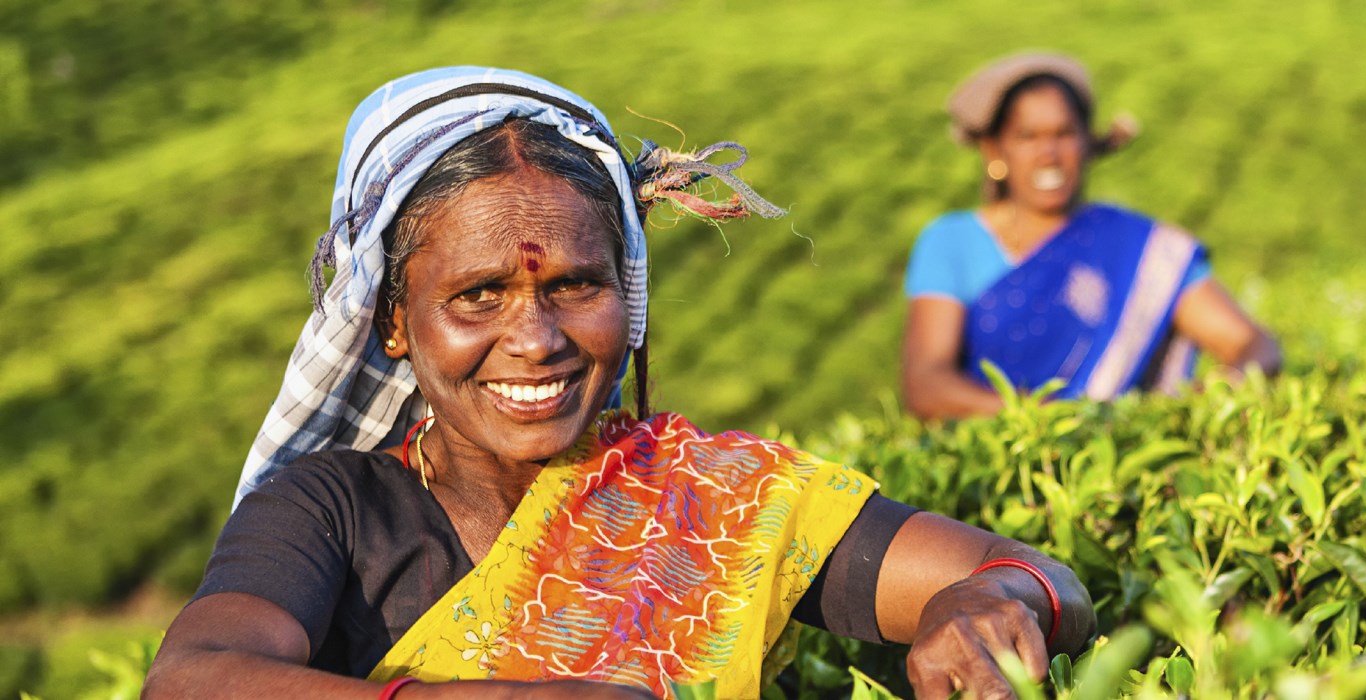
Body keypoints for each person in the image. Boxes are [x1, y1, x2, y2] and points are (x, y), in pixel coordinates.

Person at [144, 67, 1093, 700]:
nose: (538, 339)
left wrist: (984, 604)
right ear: (394, 322)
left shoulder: (713, 502)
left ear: (627, 296)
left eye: (576, 286)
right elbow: (192, 678)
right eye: (478, 296)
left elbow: (1042, 579)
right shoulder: (332, 509)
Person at [900, 53, 1282, 421]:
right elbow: (926, 384)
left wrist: (1207, 397)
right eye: (1028, 136)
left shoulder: (1137, 247)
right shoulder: (952, 241)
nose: (1048, 153)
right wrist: (1054, 420)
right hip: (992, 466)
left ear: (1088, 143)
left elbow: (1253, 345)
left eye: (1064, 134)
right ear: (995, 150)